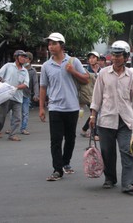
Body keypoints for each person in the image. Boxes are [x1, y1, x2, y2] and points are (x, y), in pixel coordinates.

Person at [89, 40, 133, 193]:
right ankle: (110, 178)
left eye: (119, 55)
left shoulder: (131, 76)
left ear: (126, 57)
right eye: (113, 55)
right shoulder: (103, 74)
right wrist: (93, 115)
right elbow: (97, 96)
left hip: (125, 120)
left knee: (126, 150)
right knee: (107, 151)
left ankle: (128, 183)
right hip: (106, 118)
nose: (115, 58)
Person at [39, 32, 89, 181]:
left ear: (62, 45)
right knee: (55, 139)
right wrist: (41, 108)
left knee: (70, 138)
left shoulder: (73, 62)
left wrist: (72, 71)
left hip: (72, 107)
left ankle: (66, 161)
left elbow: (86, 79)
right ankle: (57, 169)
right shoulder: (47, 65)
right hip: (54, 107)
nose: (50, 46)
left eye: (54, 43)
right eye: (49, 44)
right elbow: (43, 87)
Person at [0, 50, 29, 141]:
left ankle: (12, 135)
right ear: (16, 57)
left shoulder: (25, 71)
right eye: (22, 56)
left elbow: (26, 84)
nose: (24, 59)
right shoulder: (8, 66)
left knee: (17, 118)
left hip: (18, 98)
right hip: (6, 96)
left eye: (25, 57)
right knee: (2, 116)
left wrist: (15, 87)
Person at [81, 51, 101, 138]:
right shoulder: (85, 71)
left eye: (93, 57)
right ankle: (94, 133)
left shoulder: (102, 70)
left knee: (94, 113)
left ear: (97, 59)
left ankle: (84, 129)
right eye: (90, 58)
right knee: (94, 113)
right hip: (89, 95)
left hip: (99, 95)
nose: (91, 60)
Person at [19, 52, 39, 135]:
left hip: (26, 94)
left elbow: (35, 83)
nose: (24, 59)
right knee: (14, 113)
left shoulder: (32, 71)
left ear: (29, 60)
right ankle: (13, 127)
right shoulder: (18, 68)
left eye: (26, 58)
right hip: (16, 94)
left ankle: (23, 128)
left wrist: (36, 94)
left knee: (25, 113)